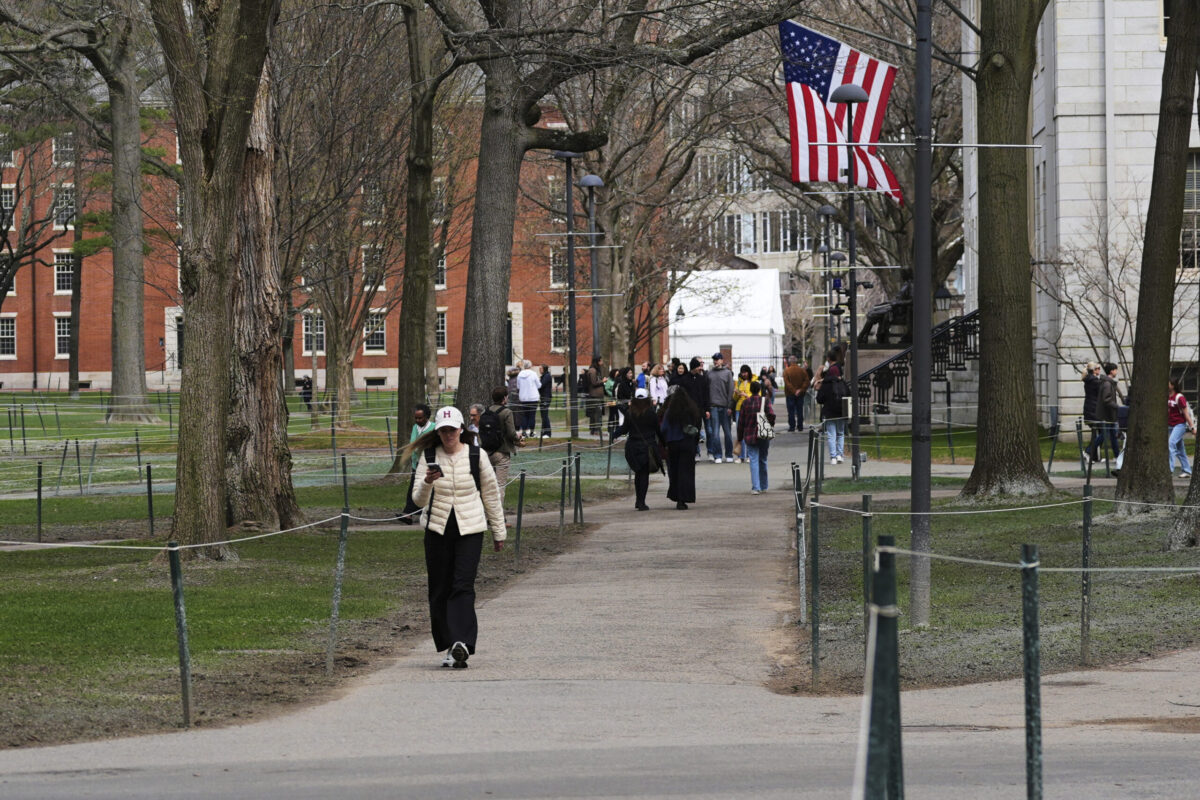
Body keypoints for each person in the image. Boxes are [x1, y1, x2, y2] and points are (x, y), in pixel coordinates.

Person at [405, 406, 506, 669]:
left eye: (452, 430)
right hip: (437, 530)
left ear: (461, 429)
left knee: (463, 585)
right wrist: (427, 482)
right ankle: (449, 644)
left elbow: (491, 495)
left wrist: (498, 532)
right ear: (438, 432)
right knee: (440, 587)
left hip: (469, 529)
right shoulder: (428, 456)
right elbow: (417, 500)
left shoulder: (476, 455)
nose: (448, 435)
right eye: (444, 431)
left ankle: (462, 641)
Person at [612, 388, 665, 511]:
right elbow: (658, 430)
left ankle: (638, 500)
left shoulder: (630, 413)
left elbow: (624, 429)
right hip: (647, 447)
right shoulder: (651, 413)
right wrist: (664, 443)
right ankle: (641, 501)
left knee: (638, 473)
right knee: (644, 475)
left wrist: (614, 434)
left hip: (633, 447)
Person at [660, 385, 701, 510]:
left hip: (673, 443)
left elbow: (664, 428)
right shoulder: (692, 410)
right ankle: (684, 497)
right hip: (687, 443)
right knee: (686, 472)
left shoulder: (670, 411)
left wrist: (664, 442)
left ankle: (676, 495)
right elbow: (697, 427)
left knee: (675, 471)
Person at [736, 380, 775, 494]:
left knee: (753, 459)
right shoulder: (765, 401)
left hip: (749, 435)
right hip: (763, 434)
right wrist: (769, 425)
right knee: (763, 459)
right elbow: (771, 415)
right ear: (759, 390)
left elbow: (741, 422)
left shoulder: (745, 403)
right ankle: (764, 486)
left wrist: (739, 437)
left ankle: (755, 487)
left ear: (750, 390)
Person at [400, 404, 436, 524]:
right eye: (416, 418)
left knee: (420, 488)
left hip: (427, 464)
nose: (418, 420)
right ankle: (410, 514)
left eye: (420, 418)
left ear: (427, 417)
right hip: (416, 464)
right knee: (414, 488)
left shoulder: (434, 428)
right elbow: (413, 443)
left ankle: (408, 514)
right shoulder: (415, 427)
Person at [486, 386, 523, 488]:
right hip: (502, 451)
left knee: (489, 484)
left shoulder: (487, 411)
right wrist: (518, 437)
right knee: (500, 485)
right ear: (504, 398)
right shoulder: (507, 412)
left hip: (488, 451)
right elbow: (511, 433)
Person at [1088, 362, 1122, 464]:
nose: (1116, 372)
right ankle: (1088, 451)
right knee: (1105, 434)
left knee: (1112, 435)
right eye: (1115, 370)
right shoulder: (1107, 384)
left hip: (1109, 414)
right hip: (1107, 414)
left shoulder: (1108, 382)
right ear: (1111, 371)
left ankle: (1117, 456)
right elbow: (1106, 399)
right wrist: (1117, 407)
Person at [706, 352, 736, 463]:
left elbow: (731, 390)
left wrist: (730, 406)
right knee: (715, 433)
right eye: (714, 359)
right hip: (713, 406)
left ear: (722, 361)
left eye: (718, 359)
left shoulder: (727, 373)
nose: (716, 361)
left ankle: (729, 454)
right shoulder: (709, 373)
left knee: (727, 432)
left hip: (725, 407)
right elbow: (706, 391)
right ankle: (717, 455)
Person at [817, 365, 847, 464]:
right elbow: (848, 395)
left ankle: (833, 457)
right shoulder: (842, 383)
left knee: (831, 435)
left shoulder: (825, 384)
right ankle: (840, 455)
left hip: (829, 412)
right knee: (840, 433)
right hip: (841, 412)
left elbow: (819, 399)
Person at [1168, 378, 1195, 477]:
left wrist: (1192, 427)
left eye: (1168, 383)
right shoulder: (1167, 397)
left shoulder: (1179, 397)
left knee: (1171, 443)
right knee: (1180, 449)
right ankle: (1187, 470)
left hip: (1179, 425)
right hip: (1170, 425)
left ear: (1173, 385)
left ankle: (1169, 469)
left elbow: (1186, 414)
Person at [782, 355, 811, 432]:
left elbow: (787, 383)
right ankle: (800, 426)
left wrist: (794, 391)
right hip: (800, 393)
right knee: (799, 410)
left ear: (789, 361)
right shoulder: (802, 370)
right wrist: (800, 390)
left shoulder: (786, 371)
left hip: (790, 393)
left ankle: (792, 427)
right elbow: (807, 381)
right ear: (796, 361)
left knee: (791, 411)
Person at [1082, 362, 1102, 460]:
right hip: (1093, 409)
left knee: (1096, 433)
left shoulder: (1088, 380)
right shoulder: (1095, 381)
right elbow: (1100, 394)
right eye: (1098, 368)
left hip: (1090, 408)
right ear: (1094, 370)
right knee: (1104, 432)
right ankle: (1088, 451)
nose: (1099, 370)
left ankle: (1093, 456)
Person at [516, 360, 540, 436]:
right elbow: (539, 385)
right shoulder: (533, 374)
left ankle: (524, 431)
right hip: (533, 397)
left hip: (523, 398)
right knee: (532, 415)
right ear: (530, 366)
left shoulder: (520, 375)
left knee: (524, 415)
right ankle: (532, 432)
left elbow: (518, 386)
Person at [585, 358, 606, 436]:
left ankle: (594, 430)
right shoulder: (593, 371)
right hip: (595, 396)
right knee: (597, 413)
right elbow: (594, 383)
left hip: (597, 395)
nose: (602, 362)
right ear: (597, 361)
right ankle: (596, 430)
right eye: (601, 361)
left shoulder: (595, 370)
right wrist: (602, 381)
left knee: (596, 413)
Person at [538, 364, 553, 438]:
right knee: (543, 415)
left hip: (546, 398)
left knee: (545, 415)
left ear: (544, 369)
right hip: (543, 397)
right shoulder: (544, 376)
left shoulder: (547, 376)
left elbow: (541, 385)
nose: (539, 370)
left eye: (540, 368)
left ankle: (547, 433)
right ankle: (544, 433)